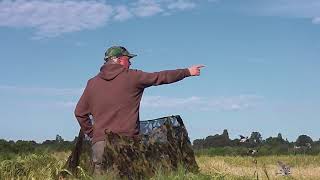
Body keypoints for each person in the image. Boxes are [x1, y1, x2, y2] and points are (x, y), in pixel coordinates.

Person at [74, 46, 204, 174]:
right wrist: (187, 72)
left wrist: (93, 134)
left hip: (99, 145)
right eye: (128, 59)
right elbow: (160, 77)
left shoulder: (92, 83)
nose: (130, 62)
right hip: (125, 144)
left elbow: (79, 113)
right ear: (119, 60)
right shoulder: (132, 76)